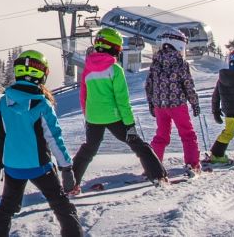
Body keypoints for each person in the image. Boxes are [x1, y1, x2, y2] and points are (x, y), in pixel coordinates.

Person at [0, 50, 80, 237]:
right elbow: (54, 138)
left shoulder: (5, 102)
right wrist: (66, 168)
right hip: (40, 168)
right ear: (43, 75)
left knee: (5, 209)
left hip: (13, 168)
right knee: (62, 206)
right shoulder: (42, 105)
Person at [69, 28, 166, 191]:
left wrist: (88, 116)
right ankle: (158, 176)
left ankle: (70, 184)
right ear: (113, 48)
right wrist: (129, 124)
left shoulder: (88, 68)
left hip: (93, 118)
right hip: (113, 117)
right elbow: (122, 100)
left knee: (88, 150)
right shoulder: (115, 69)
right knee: (138, 145)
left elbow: (83, 96)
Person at [145, 28, 203, 176]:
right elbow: (188, 84)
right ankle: (192, 163)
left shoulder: (156, 62)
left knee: (161, 136)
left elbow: (149, 85)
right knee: (187, 134)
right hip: (177, 105)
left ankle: (152, 166)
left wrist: (151, 104)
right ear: (178, 44)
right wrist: (194, 103)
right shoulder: (180, 62)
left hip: (160, 106)